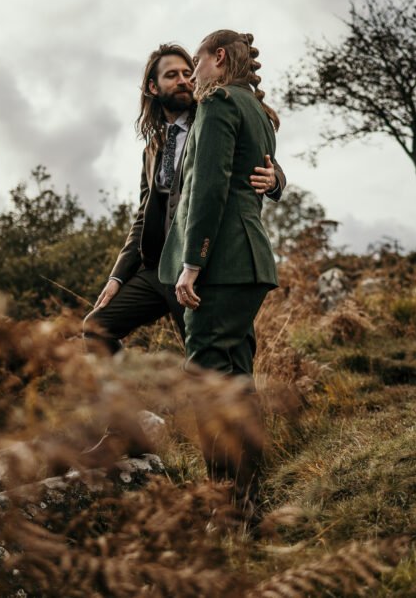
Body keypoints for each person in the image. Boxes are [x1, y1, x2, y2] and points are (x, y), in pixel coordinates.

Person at [84, 43, 285, 354]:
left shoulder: (213, 115)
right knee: (95, 328)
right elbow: (143, 216)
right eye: (171, 75)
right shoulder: (153, 147)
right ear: (153, 87)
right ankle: (127, 402)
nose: (183, 80)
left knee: (212, 358)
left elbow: (255, 156)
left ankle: (231, 402)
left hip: (201, 265)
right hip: (155, 270)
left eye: (187, 72)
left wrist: (275, 179)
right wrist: (117, 277)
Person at [158, 31, 281, 513]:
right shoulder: (259, 111)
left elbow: (208, 190)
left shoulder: (218, 104)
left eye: (198, 62)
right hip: (250, 264)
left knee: (206, 382)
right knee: (236, 380)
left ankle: (227, 504)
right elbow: (254, 171)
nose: (193, 73)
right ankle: (248, 499)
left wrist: (192, 264)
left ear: (219, 58)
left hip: (222, 265)